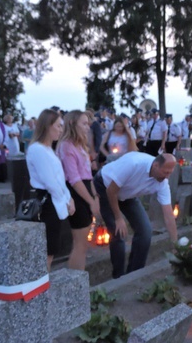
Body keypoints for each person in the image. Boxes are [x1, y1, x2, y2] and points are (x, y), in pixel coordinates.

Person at [94, 152, 178, 279]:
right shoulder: (134, 164)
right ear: (155, 165)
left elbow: (169, 216)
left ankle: (134, 274)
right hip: (106, 187)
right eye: (165, 172)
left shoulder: (162, 183)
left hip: (128, 194)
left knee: (145, 231)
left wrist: (175, 245)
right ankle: (118, 277)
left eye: (170, 173)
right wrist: (118, 218)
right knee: (118, 233)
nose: (167, 177)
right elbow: (111, 191)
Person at [27, 109, 75, 270]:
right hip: (47, 203)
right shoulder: (37, 149)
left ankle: (43, 285)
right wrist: (66, 200)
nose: (61, 130)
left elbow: (60, 179)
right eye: (58, 126)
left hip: (55, 201)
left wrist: (69, 198)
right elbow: (50, 182)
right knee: (47, 250)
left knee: (52, 248)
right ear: (48, 126)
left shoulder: (48, 149)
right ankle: (41, 287)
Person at [58, 110, 100, 270]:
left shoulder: (80, 145)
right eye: (83, 123)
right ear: (72, 124)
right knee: (80, 244)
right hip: (77, 194)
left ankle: (78, 281)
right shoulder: (66, 146)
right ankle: (75, 283)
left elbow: (88, 175)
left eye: (87, 123)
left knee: (83, 244)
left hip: (86, 190)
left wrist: (95, 195)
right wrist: (91, 202)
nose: (88, 127)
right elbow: (74, 179)